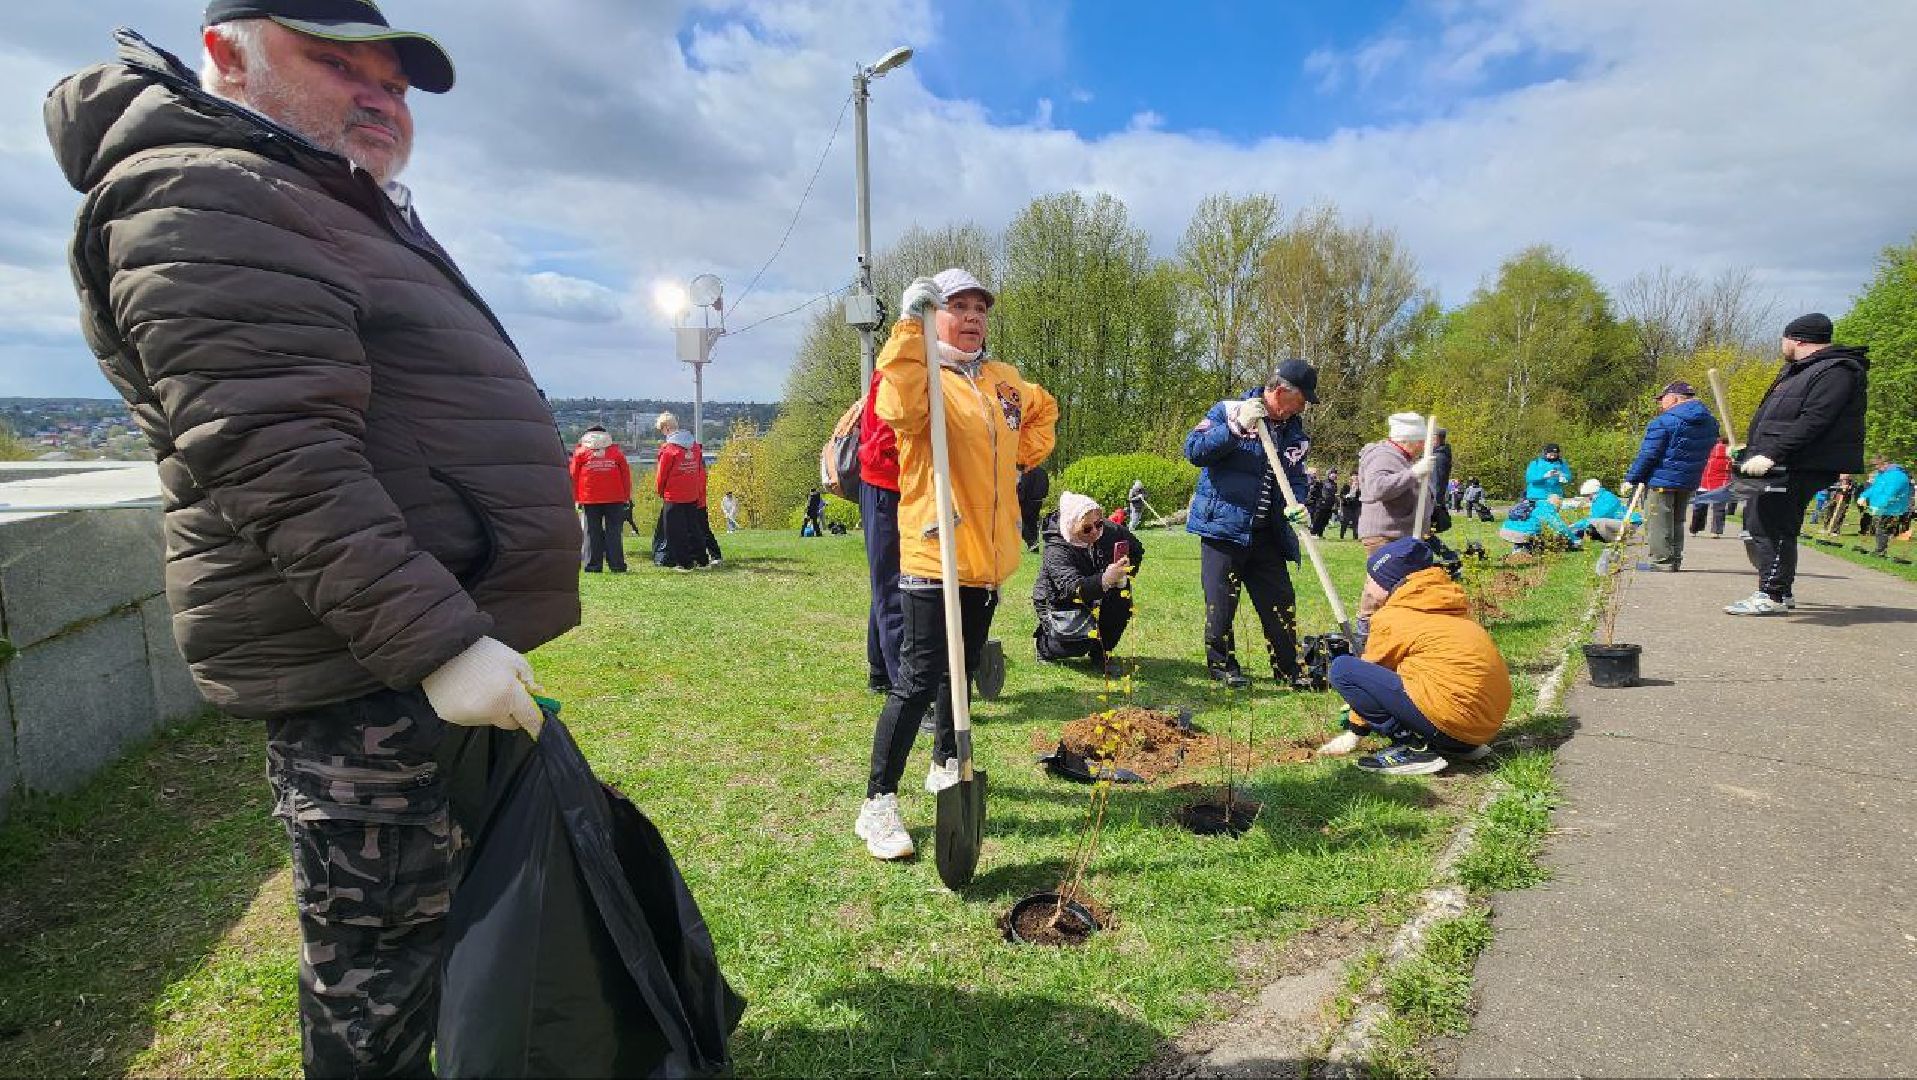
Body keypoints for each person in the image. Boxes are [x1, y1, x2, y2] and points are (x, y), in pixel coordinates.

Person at [46, 7, 580, 1073]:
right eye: (335, 64)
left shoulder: (313, 196)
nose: (378, 97)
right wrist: (438, 645)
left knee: (436, 928)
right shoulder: (207, 190)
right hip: (366, 674)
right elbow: (273, 450)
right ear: (226, 55)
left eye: (392, 80)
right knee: (379, 963)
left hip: (401, 651)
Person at [857, 268, 1057, 861]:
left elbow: (1043, 412)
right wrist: (905, 329)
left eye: (980, 307)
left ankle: (947, 763)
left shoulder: (1002, 381)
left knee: (961, 671)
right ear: (933, 315)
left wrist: (1020, 458)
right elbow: (892, 404)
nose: (972, 316)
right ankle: (878, 804)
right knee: (918, 679)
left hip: (986, 555)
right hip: (934, 548)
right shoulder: (924, 380)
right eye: (957, 306)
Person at [1317, 540, 1511, 775]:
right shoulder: (1447, 605)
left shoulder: (1394, 617)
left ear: (1391, 582)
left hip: (1453, 723)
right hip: (1482, 728)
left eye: (1372, 579)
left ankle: (1412, 748)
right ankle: (1458, 746)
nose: (1367, 585)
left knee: (1343, 669)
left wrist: (1355, 731)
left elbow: (1370, 670)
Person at [1184, 357, 1320, 689]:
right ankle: (1222, 665)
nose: (1300, 409)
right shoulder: (1229, 411)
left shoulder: (1295, 435)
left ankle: (1288, 668)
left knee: (1280, 603)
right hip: (1223, 528)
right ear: (1280, 390)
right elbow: (1194, 450)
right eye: (1300, 401)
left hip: (1267, 534)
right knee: (1221, 604)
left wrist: (1299, 502)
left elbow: (1296, 478)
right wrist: (1234, 429)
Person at [1726, 313, 1869, 615]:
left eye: (1784, 338)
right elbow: (1779, 418)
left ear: (1797, 339)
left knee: (1770, 524)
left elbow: (1815, 420)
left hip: (1800, 462)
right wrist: (1751, 450)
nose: (1782, 344)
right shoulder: (1798, 371)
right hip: (1783, 459)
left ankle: (1772, 594)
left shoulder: (1836, 371)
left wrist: (1772, 454)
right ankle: (1781, 591)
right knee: (1763, 522)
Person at [1032, 492, 1144, 676]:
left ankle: (1102, 653)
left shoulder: (1110, 531)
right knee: (1078, 643)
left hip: (1100, 589)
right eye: (1086, 528)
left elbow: (1137, 550)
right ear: (1071, 525)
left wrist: (1125, 573)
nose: (1094, 532)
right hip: (1060, 598)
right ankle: (1044, 645)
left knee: (1121, 597)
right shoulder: (1056, 547)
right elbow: (1071, 588)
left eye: (1098, 524)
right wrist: (1105, 579)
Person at [1623, 380, 1720, 572]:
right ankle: (1674, 559)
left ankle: (1661, 562)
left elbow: (1649, 454)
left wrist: (1631, 478)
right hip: (1688, 479)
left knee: (1657, 521)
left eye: (1662, 399)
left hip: (1661, 478)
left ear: (1674, 398)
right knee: (1676, 520)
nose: (1660, 404)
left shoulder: (1664, 422)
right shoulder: (1710, 422)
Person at [1356, 412, 1433, 633]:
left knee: (1400, 585)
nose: (1421, 447)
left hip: (1401, 534)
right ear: (1409, 440)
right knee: (1382, 584)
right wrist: (1414, 473)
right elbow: (1378, 487)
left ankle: (1392, 629)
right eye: (1420, 442)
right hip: (1385, 534)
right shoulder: (1383, 456)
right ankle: (1366, 630)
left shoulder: (1401, 458)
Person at [859, 368, 904, 694]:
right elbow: (887, 438)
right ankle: (908, 685)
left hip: (895, 484)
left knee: (889, 581)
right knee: (896, 585)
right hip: (887, 484)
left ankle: (880, 668)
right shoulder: (899, 369)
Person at [571, 425, 633, 572]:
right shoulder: (616, 452)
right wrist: (626, 497)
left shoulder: (581, 452)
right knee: (614, 531)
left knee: (592, 531)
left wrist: (575, 498)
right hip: (615, 497)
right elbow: (625, 475)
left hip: (589, 497)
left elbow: (573, 476)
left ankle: (593, 564)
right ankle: (617, 565)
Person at [655, 412, 709, 570]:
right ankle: (702, 560)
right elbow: (699, 470)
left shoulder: (669, 450)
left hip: (674, 495)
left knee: (675, 531)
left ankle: (684, 563)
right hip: (691, 493)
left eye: (661, 430)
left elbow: (662, 475)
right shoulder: (694, 446)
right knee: (694, 528)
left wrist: (660, 491)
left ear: (666, 428)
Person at [1857, 455, 1912, 557]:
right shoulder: (1882, 474)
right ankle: (1880, 550)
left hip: (1894, 507)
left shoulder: (1898, 476)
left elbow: (1890, 493)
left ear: (1886, 463)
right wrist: (1863, 496)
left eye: (1877, 465)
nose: (1876, 468)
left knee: (1882, 528)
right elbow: (1874, 488)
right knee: (1878, 527)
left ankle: (1880, 551)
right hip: (1882, 506)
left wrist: (1879, 505)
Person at [1499, 494, 1583, 552]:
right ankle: (1522, 550)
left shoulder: (1535, 504)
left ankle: (1519, 548)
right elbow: (1559, 527)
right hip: (1520, 533)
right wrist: (1574, 540)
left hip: (1505, 529)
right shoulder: (1547, 508)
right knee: (1538, 535)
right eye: (1558, 509)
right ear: (1556, 505)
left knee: (1532, 529)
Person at [1689, 438, 1734, 538]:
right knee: (1719, 509)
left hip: (1704, 484)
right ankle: (1716, 531)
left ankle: (1694, 529)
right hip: (1722, 485)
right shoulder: (1729, 458)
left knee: (1699, 508)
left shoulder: (1705, 456)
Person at [1577, 478, 1640, 542]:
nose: (1588, 498)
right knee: (1590, 528)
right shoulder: (1599, 499)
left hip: (1630, 525)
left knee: (1598, 523)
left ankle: (1617, 539)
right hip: (1620, 524)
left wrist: (1577, 525)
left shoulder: (1607, 497)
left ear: (1593, 492)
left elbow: (1598, 517)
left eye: (1588, 495)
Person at [1017, 462, 1049, 551]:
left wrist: (1019, 499)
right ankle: (1034, 547)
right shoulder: (1042, 472)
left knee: (1018, 522)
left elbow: (1022, 486)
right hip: (1038, 502)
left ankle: (1031, 542)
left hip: (1026, 501)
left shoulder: (1027, 472)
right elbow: (1046, 486)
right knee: (1032, 524)